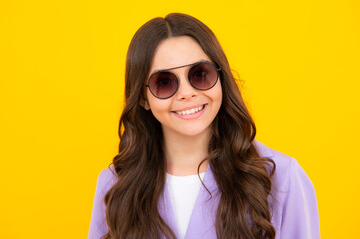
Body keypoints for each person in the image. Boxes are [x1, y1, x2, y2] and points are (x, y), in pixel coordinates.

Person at [88, 13, 320, 239]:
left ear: (220, 78)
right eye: (164, 82)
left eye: (200, 74)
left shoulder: (281, 178)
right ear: (142, 97)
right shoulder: (114, 185)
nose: (187, 94)